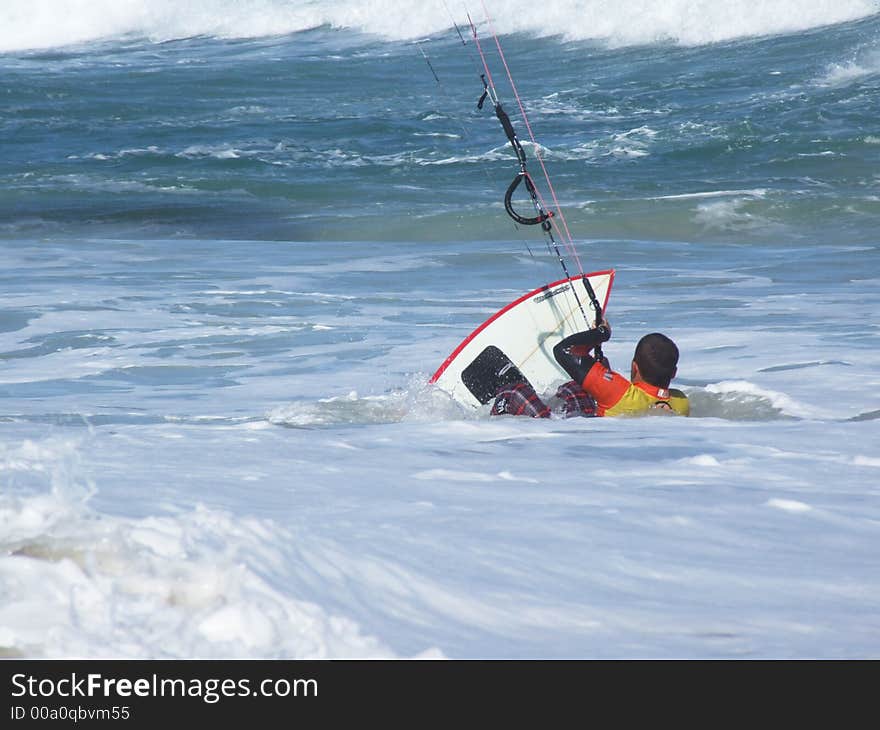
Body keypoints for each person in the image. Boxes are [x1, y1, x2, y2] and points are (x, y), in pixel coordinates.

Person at [490, 320, 689, 418]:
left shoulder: (620, 392)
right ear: (673, 373)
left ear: (634, 366)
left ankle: (494, 423)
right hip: (588, 427)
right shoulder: (681, 402)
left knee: (513, 391)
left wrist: (600, 334)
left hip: (554, 433)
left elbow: (564, 351)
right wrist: (602, 372)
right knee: (577, 388)